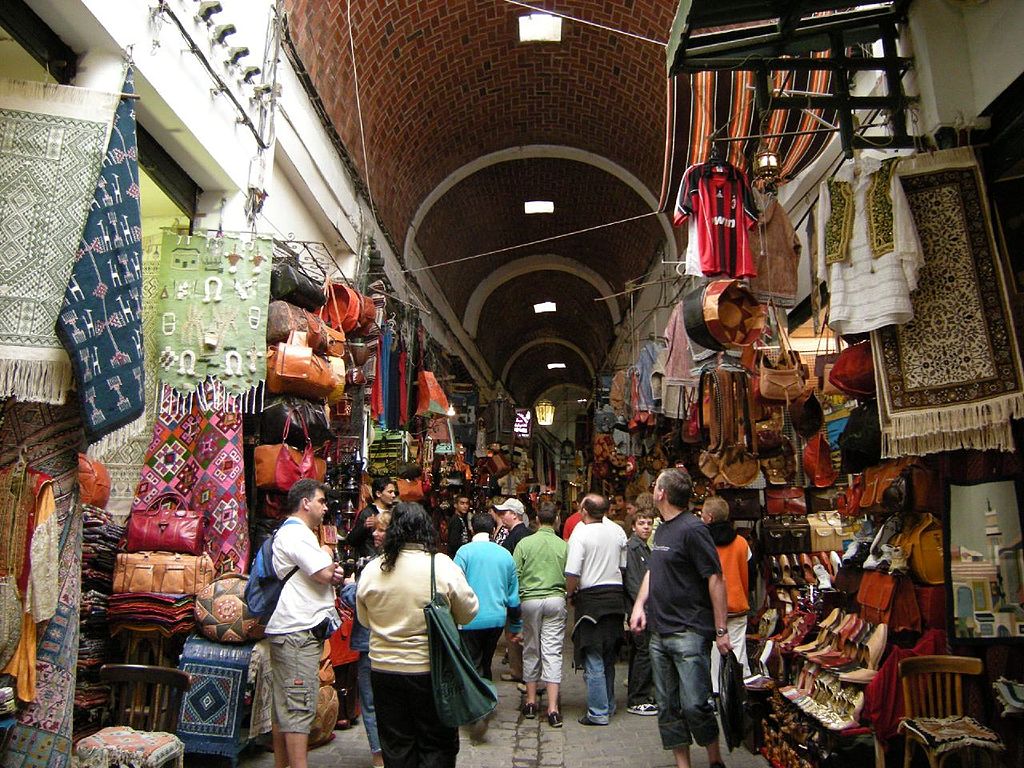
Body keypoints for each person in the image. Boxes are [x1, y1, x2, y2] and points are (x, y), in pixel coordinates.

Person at [357, 502, 478, 768]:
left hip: (384, 671)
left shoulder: (372, 570)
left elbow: (364, 619)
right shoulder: (441, 566)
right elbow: (469, 612)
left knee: (397, 744)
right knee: (436, 743)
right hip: (430, 671)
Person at [630, 468, 731, 768]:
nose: (653, 487)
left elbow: (715, 579)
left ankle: (714, 758)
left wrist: (721, 629)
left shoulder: (693, 529)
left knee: (695, 703)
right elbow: (654, 571)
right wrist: (639, 605)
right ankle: (682, 763)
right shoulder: (661, 530)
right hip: (659, 631)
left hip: (689, 630)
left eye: (656, 484)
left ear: (662, 493)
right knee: (667, 705)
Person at [265, 479, 344, 768]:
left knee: (286, 706)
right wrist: (327, 555)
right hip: (296, 631)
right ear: (305, 502)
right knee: (298, 706)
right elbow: (325, 573)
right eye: (321, 501)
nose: (325, 507)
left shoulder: (297, 534)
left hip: (292, 629)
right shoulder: (296, 534)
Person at [565, 493, 627, 726]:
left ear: (583, 511)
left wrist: (569, 593)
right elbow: (623, 566)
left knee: (592, 656)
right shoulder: (617, 532)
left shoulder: (580, 534)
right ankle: (608, 705)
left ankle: (598, 712)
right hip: (615, 598)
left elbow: (573, 572)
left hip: (591, 600)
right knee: (609, 655)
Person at [339, 510, 392, 768]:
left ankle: (379, 755)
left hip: (371, 642)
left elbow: (359, 600)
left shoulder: (373, 566)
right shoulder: (404, 565)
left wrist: (348, 585)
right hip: (396, 642)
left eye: (381, 530)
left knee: (371, 701)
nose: (375, 533)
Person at [513, 500, 568, 728]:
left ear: (536, 519)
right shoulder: (563, 545)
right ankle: (553, 708)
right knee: (552, 651)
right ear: (556, 520)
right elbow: (570, 573)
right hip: (555, 599)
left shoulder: (525, 544)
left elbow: (515, 573)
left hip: (530, 600)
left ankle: (531, 701)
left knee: (531, 649)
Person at [453, 512, 522, 680]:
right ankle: (486, 697)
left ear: (472, 529)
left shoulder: (464, 553)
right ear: (492, 530)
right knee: (486, 661)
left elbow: (453, 584)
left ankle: (478, 701)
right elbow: (513, 595)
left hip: (469, 619)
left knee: (472, 663)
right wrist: (515, 626)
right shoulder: (505, 554)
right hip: (496, 619)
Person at [700, 496, 751, 690]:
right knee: (737, 647)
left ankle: (716, 689)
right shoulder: (741, 543)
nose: (701, 517)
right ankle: (739, 688)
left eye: (703, 514)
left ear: (710, 517)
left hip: (711, 605)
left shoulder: (704, 543)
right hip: (737, 602)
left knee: (713, 649)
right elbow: (750, 573)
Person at [494, 497, 532, 682]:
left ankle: (520, 672)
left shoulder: (519, 535)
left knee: (516, 633)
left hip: (517, 592)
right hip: (519, 591)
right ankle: (520, 671)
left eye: (504, 513)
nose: (502, 517)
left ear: (514, 515)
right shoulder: (519, 534)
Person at [624, 508, 658, 716]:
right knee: (644, 652)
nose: (646, 527)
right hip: (640, 610)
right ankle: (638, 698)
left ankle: (638, 693)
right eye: (642, 523)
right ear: (633, 526)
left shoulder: (645, 548)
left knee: (640, 652)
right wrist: (643, 605)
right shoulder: (633, 549)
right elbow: (634, 582)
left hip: (643, 609)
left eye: (649, 523)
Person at [348, 477, 396, 559]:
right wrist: (364, 527)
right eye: (390, 492)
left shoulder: (394, 512)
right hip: (372, 558)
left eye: (394, 492)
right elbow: (352, 540)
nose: (393, 495)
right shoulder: (367, 513)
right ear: (378, 493)